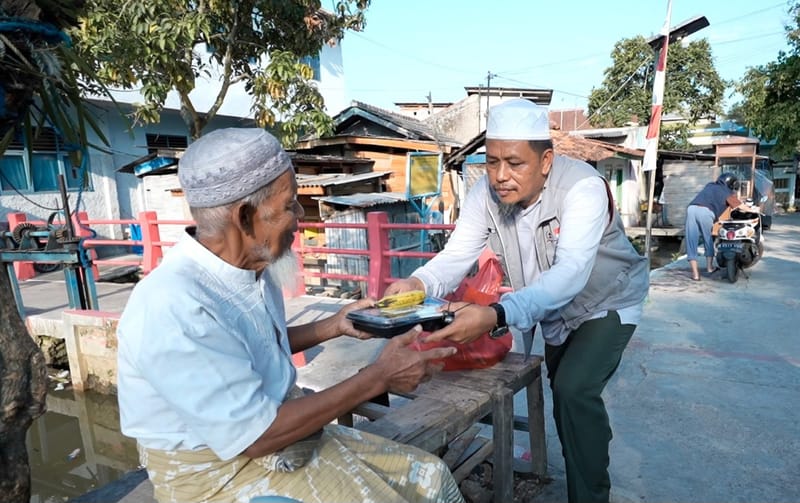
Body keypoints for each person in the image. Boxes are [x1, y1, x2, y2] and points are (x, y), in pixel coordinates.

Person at [116, 128, 464, 503]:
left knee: (431, 476)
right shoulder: (173, 304)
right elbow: (255, 435)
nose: (300, 216)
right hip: (217, 473)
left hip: (283, 435)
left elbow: (253, 346)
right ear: (245, 217)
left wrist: (334, 326)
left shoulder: (252, 267)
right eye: (290, 205)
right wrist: (380, 377)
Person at [385, 99, 650, 503]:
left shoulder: (582, 189)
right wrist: (417, 283)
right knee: (564, 396)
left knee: (575, 389)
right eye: (492, 162)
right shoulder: (484, 194)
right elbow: (457, 255)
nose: (501, 176)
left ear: (545, 160)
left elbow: (571, 274)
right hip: (552, 310)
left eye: (515, 163)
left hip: (607, 301)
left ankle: (592, 495)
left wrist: (496, 314)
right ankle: (583, 470)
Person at [684, 173, 743, 281]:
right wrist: (755, 209)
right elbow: (740, 206)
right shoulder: (727, 192)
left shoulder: (710, 185)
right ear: (731, 185)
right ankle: (710, 268)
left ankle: (695, 274)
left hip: (691, 208)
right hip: (705, 212)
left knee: (691, 241)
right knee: (708, 239)